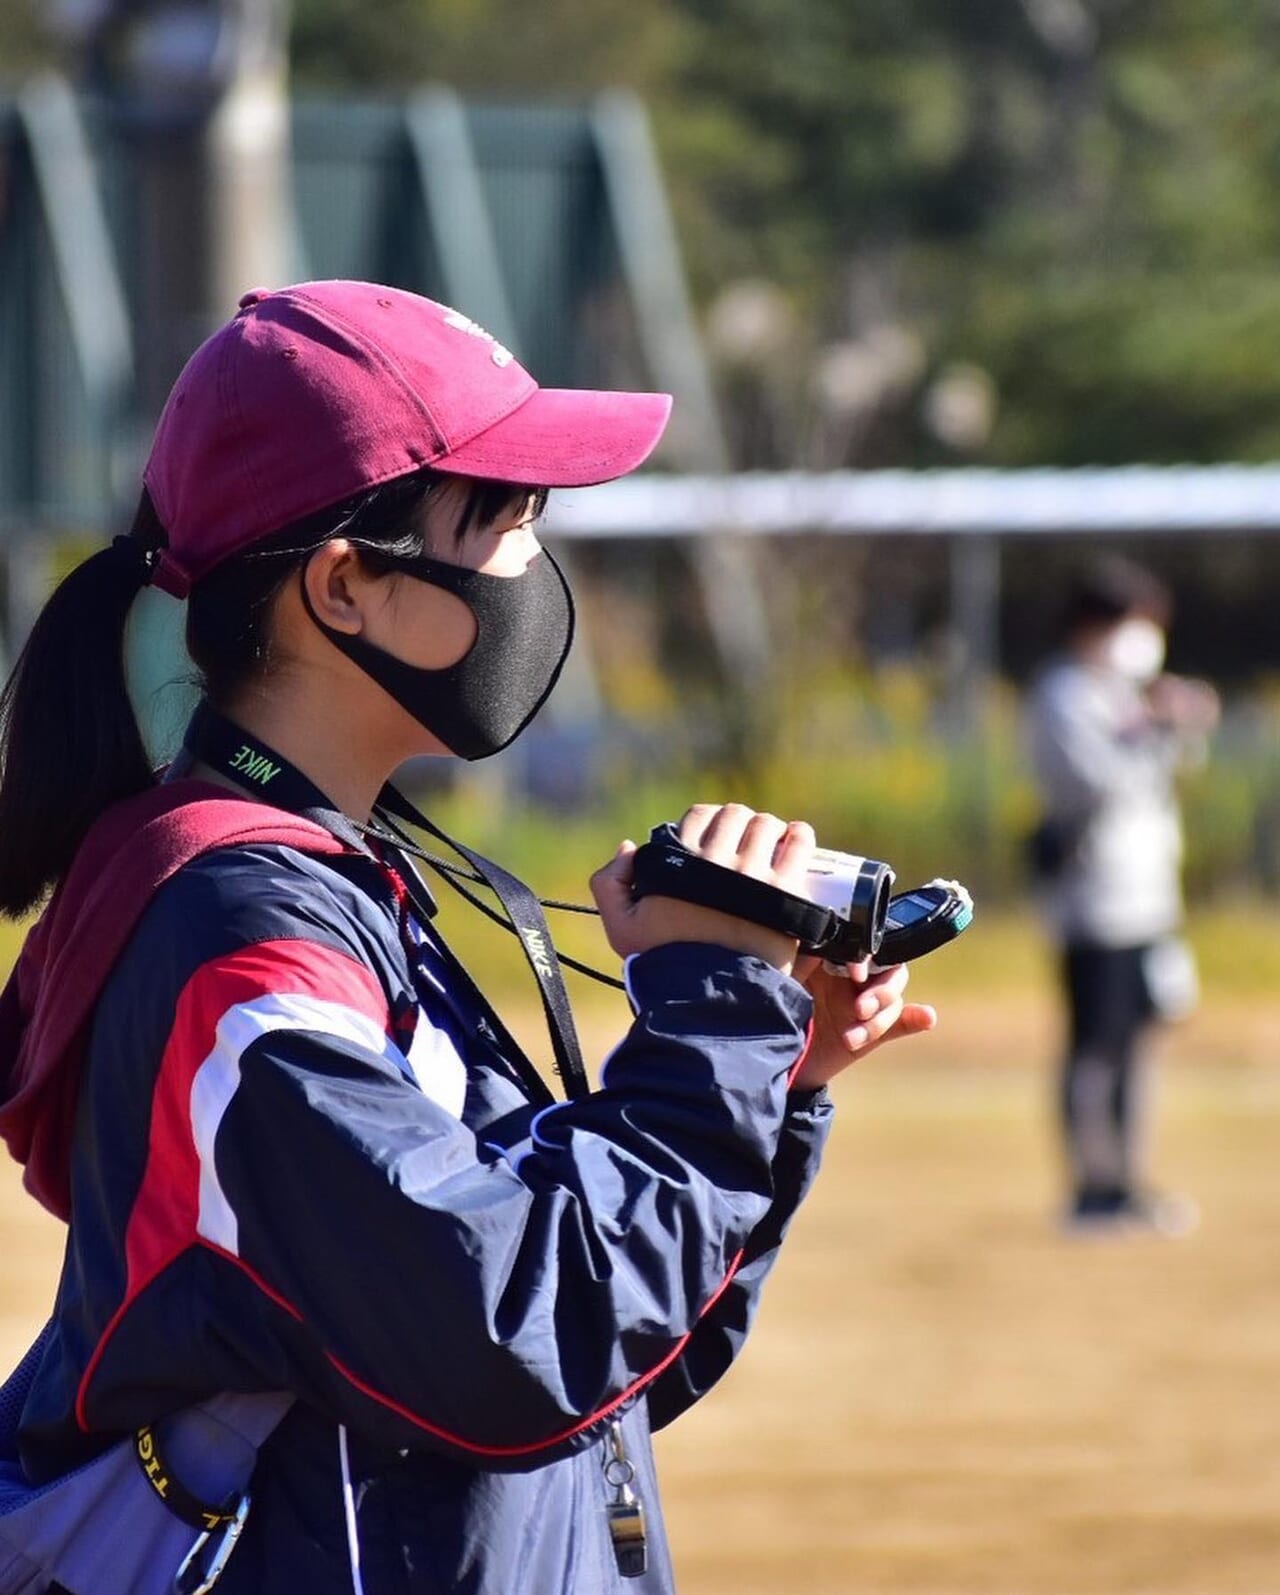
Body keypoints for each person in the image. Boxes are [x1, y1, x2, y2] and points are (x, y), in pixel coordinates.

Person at [0, 281, 936, 1594]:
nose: (538, 569)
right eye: (504, 518)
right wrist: (711, 1018)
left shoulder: (334, 873)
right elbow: (505, 1338)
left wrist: (765, 1081)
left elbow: (592, 1376)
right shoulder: (239, 934)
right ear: (345, 586)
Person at [1026, 555, 1218, 1235]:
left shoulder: (1126, 690)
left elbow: (1167, 775)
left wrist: (1177, 722)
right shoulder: (1064, 692)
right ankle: (1091, 1185)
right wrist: (1149, 731)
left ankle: (1127, 1179)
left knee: (1139, 1039)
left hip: (1148, 896)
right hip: (1093, 900)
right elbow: (1094, 782)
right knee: (1095, 1043)